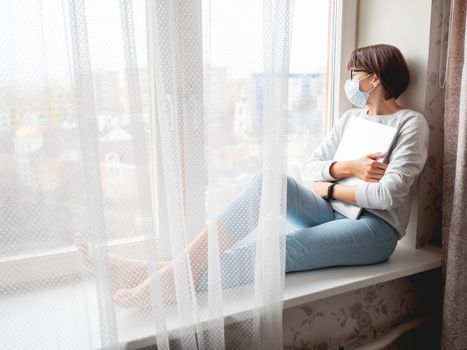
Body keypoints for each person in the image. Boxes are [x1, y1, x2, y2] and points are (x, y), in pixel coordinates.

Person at [74, 43, 430, 308]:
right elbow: (310, 170)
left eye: (354, 73)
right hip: (333, 212)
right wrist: (345, 170)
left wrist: (329, 189)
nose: (349, 81)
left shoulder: (410, 123)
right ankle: (171, 273)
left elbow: (387, 196)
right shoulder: (350, 119)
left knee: (278, 250)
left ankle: (159, 277)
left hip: (373, 230)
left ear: (374, 78)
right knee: (270, 181)